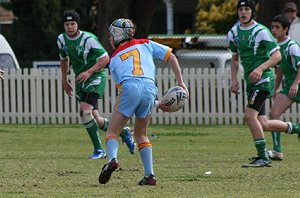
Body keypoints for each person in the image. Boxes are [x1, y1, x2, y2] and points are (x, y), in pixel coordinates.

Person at [98, 18, 188, 185]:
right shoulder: (146, 43)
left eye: (111, 36)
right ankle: (150, 175)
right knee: (141, 134)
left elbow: (128, 90)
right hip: (150, 89)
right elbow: (171, 57)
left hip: (129, 86)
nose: (110, 39)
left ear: (118, 35)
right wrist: (180, 83)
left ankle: (112, 160)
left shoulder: (115, 58)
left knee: (112, 132)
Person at [227, 0, 300, 168]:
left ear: (253, 12)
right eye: (240, 9)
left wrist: (260, 68)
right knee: (264, 123)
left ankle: (263, 157)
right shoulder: (233, 33)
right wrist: (234, 79)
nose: (243, 12)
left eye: (247, 9)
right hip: (251, 81)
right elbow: (234, 57)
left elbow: (277, 56)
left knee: (249, 117)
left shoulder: (261, 31)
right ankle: (296, 128)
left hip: (264, 80)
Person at [57, 10, 135, 159]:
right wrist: (64, 80)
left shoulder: (88, 39)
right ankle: (124, 132)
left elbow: (105, 58)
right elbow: (64, 59)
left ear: (78, 24)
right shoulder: (61, 39)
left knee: (84, 111)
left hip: (95, 77)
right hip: (81, 79)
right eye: (66, 24)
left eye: (72, 23)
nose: (69, 27)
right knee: (96, 119)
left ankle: (99, 150)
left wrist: (89, 72)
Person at [268, 14, 300, 160]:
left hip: (297, 84)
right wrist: (276, 88)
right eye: (272, 27)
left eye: (277, 27)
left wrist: (295, 83)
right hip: (289, 86)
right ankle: (277, 151)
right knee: (274, 114)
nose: (273, 30)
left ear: (286, 29)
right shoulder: (276, 48)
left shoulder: (292, 46)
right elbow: (280, 68)